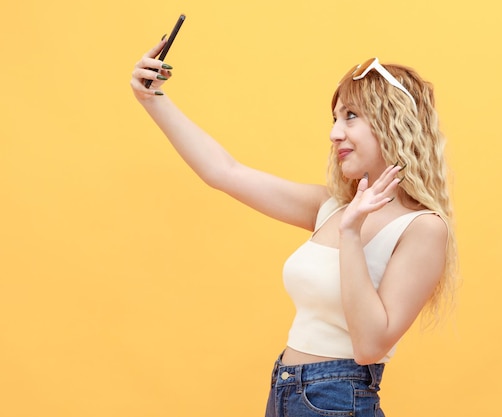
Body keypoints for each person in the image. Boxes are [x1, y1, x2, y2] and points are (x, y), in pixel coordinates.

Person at [131, 37, 458, 417]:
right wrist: (153, 99)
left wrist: (351, 233)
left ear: (393, 123)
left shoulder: (422, 228)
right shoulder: (330, 207)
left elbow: (370, 345)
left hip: (337, 400)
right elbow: (224, 172)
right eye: (335, 119)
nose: (335, 133)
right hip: (288, 392)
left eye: (351, 115)